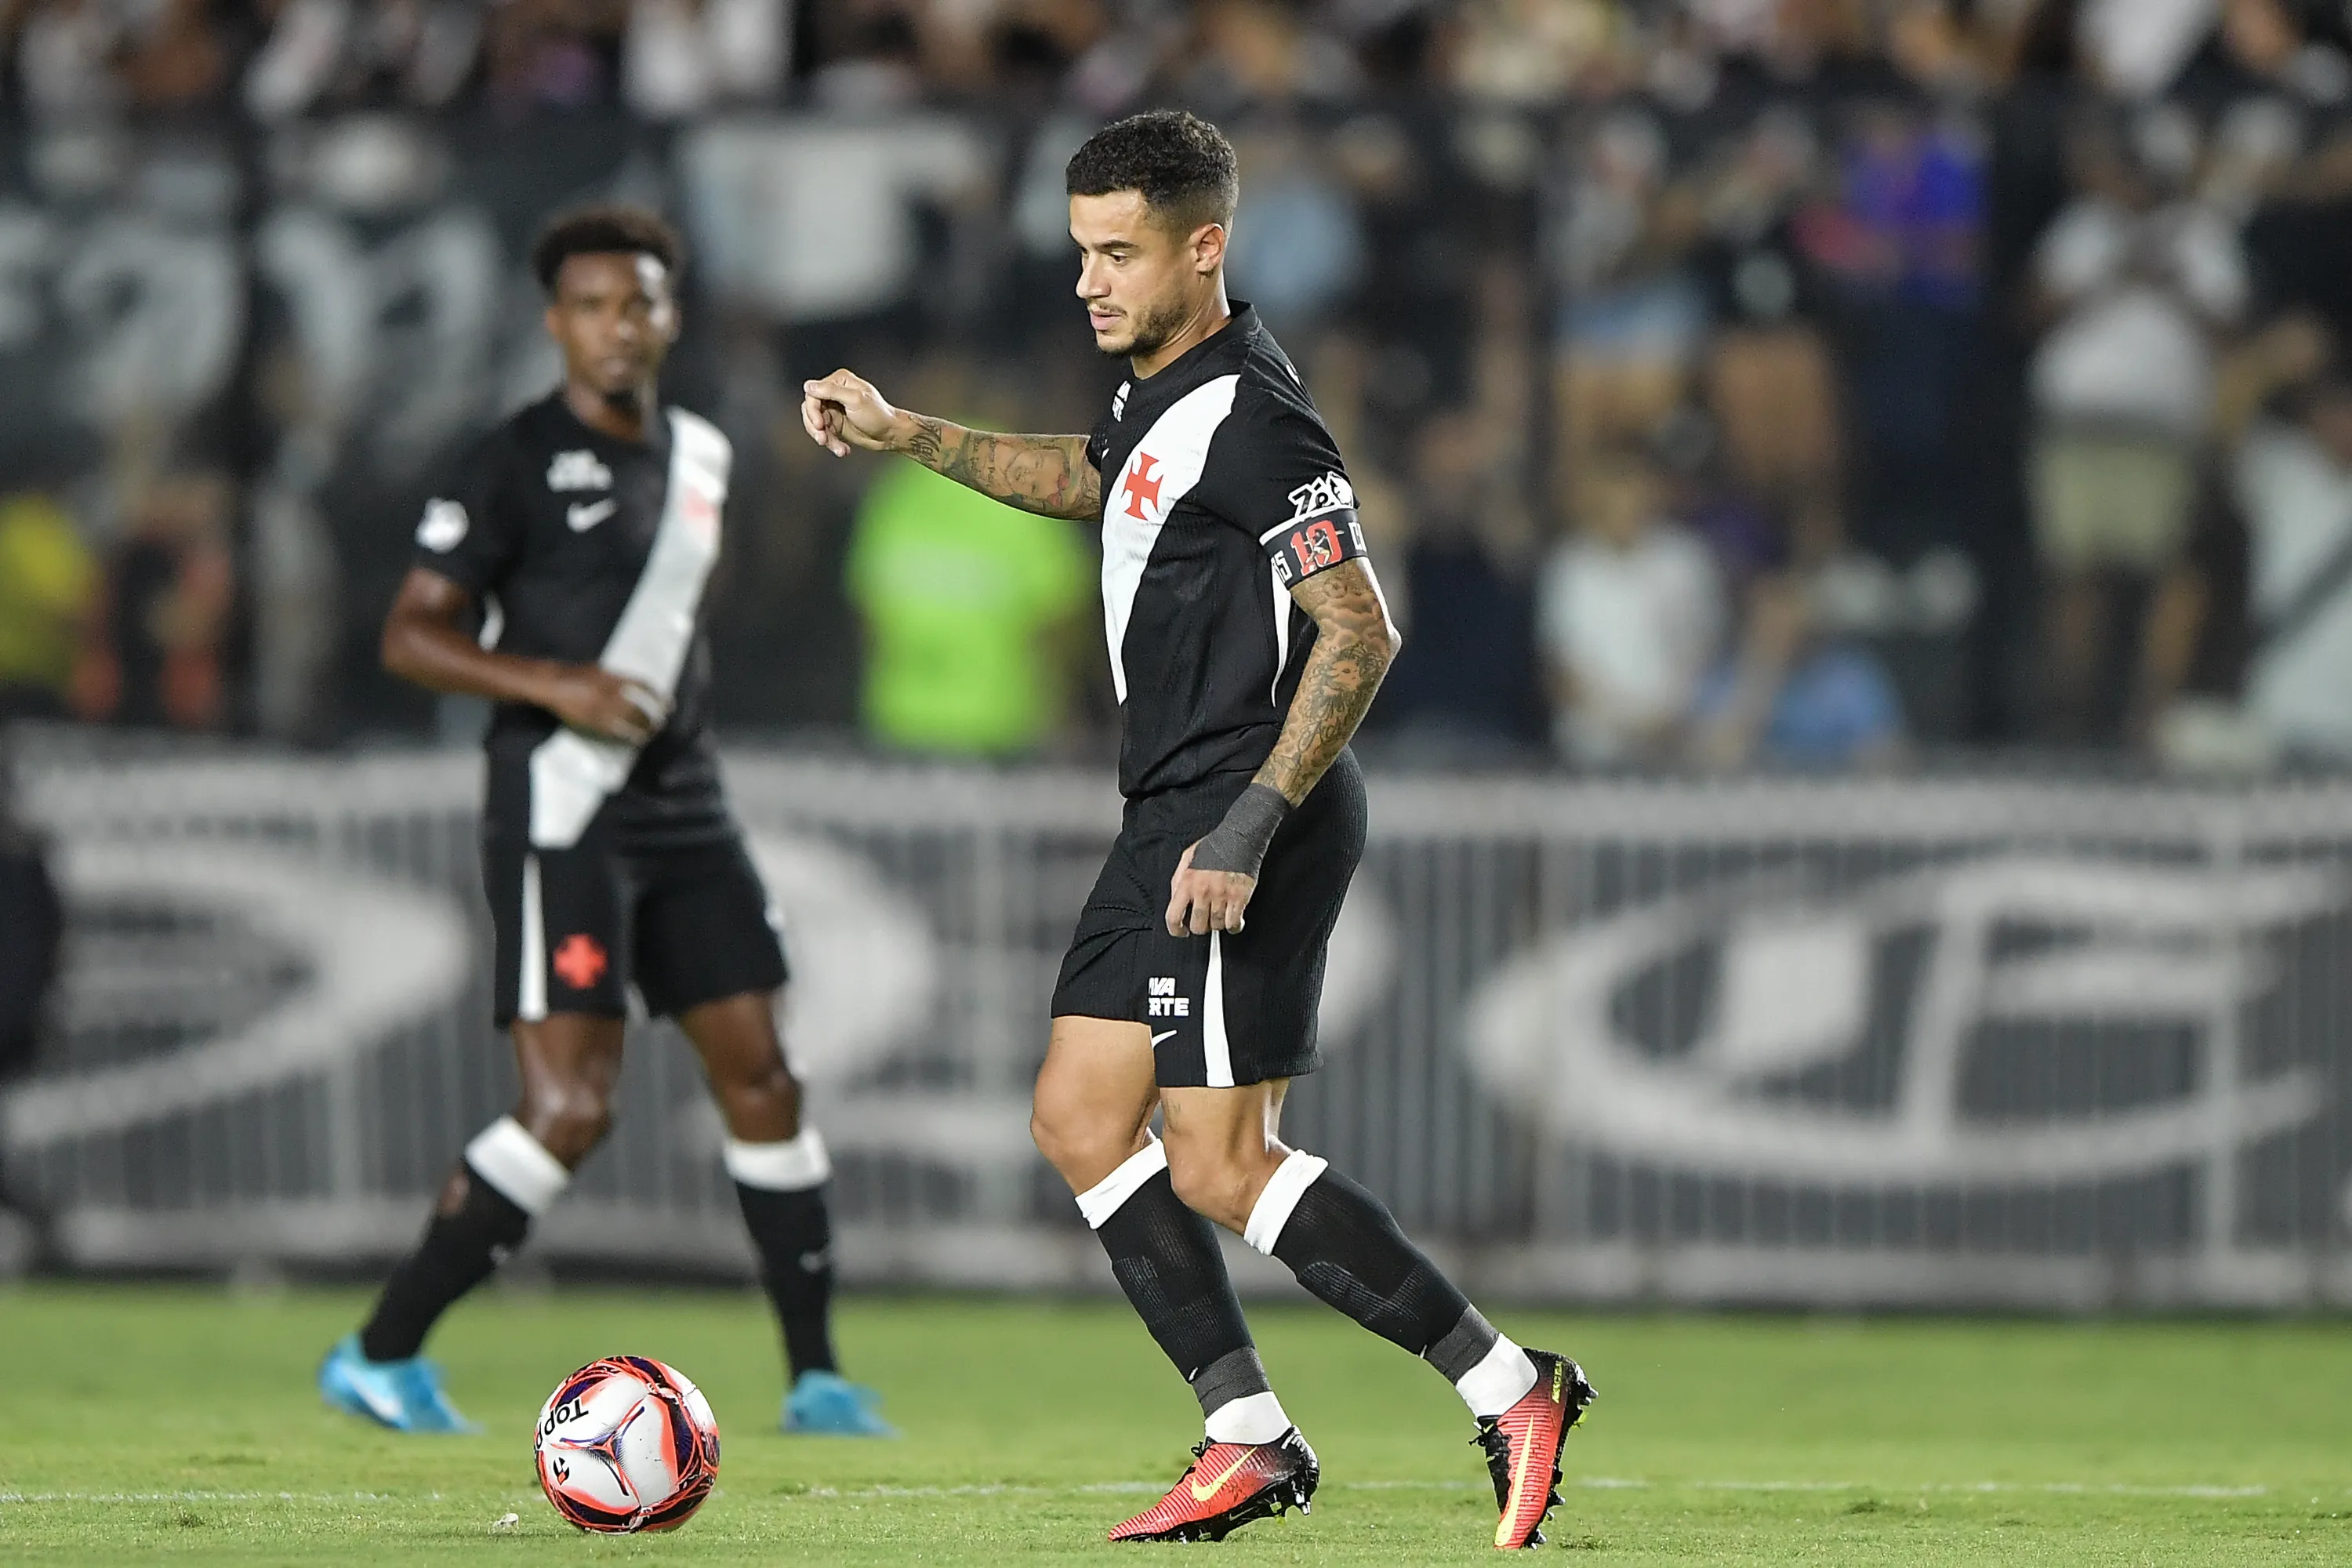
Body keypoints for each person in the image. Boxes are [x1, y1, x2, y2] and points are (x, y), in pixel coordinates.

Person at [801, 111, 1592, 1550]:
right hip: (1169, 810)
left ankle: (1508, 1382)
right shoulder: (1157, 393)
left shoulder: (1262, 418)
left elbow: (1359, 633)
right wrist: (911, 433)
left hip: (1245, 811)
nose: (1091, 282)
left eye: (1120, 253)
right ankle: (1247, 1435)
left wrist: (1245, 824)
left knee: (1222, 1162)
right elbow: (1094, 484)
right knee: (1080, 1116)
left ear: (1205, 247)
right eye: (1081, 253)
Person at [318, 205, 891, 1439]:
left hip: (687, 810)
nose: (618, 326)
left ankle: (818, 1381)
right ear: (554, 322)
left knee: (768, 1080)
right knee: (572, 1111)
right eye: (592, 305)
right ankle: (378, 1351)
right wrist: (554, 683)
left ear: (670, 316)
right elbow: (410, 634)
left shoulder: (701, 455)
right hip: (563, 812)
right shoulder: (505, 460)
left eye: (639, 302)